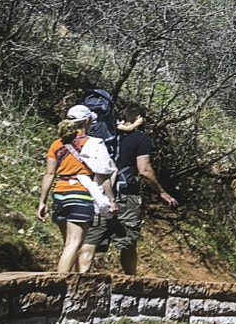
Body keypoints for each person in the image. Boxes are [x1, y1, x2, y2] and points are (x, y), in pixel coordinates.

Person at [83, 107, 178, 276]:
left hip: (98, 193)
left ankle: (78, 280)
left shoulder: (104, 135)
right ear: (138, 118)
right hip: (125, 193)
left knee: (90, 240)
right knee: (128, 242)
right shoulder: (140, 139)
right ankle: (131, 281)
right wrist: (162, 192)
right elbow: (145, 171)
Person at [36, 112, 110, 274]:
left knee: (69, 244)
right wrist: (111, 199)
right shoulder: (92, 143)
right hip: (80, 192)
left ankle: (73, 284)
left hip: (60, 193)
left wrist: (42, 201)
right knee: (74, 242)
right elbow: (103, 173)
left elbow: (49, 174)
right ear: (87, 120)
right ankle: (60, 285)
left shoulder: (57, 144)